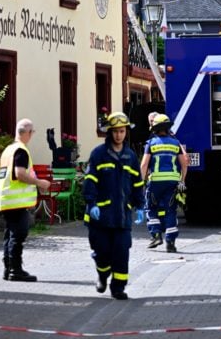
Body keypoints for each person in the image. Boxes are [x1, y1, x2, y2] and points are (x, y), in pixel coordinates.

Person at [83, 111, 145, 300]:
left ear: (126, 132)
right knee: (102, 253)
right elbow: (90, 181)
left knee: (121, 252)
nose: (119, 135)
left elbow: (137, 183)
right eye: (115, 131)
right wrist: (91, 203)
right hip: (100, 217)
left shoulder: (130, 156)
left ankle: (118, 288)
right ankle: (102, 274)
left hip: (121, 216)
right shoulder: (99, 154)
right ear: (109, 132)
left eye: (122, 131)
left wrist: (140, 205)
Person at [0, 118, 51, 282]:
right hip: (16, 200)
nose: (32, 135)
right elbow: (20, 173)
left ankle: (8, 268)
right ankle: (16, 269)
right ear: (27, 133)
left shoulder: (9, 150)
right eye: (32, 132)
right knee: (18, 234)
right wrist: (40, 182)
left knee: (10, 233)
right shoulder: (21, 151)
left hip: (7, 198)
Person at [140, 114, 188, 253]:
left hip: (155, 182)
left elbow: (144, 165)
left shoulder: (151, 144)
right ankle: (170, 242)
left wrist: (140, 182)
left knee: (151, 208)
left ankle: (155, 235)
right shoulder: (175, 144)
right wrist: (182, 180)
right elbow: (184, 163)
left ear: (154, 128)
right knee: (170, 210)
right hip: (173, 182)